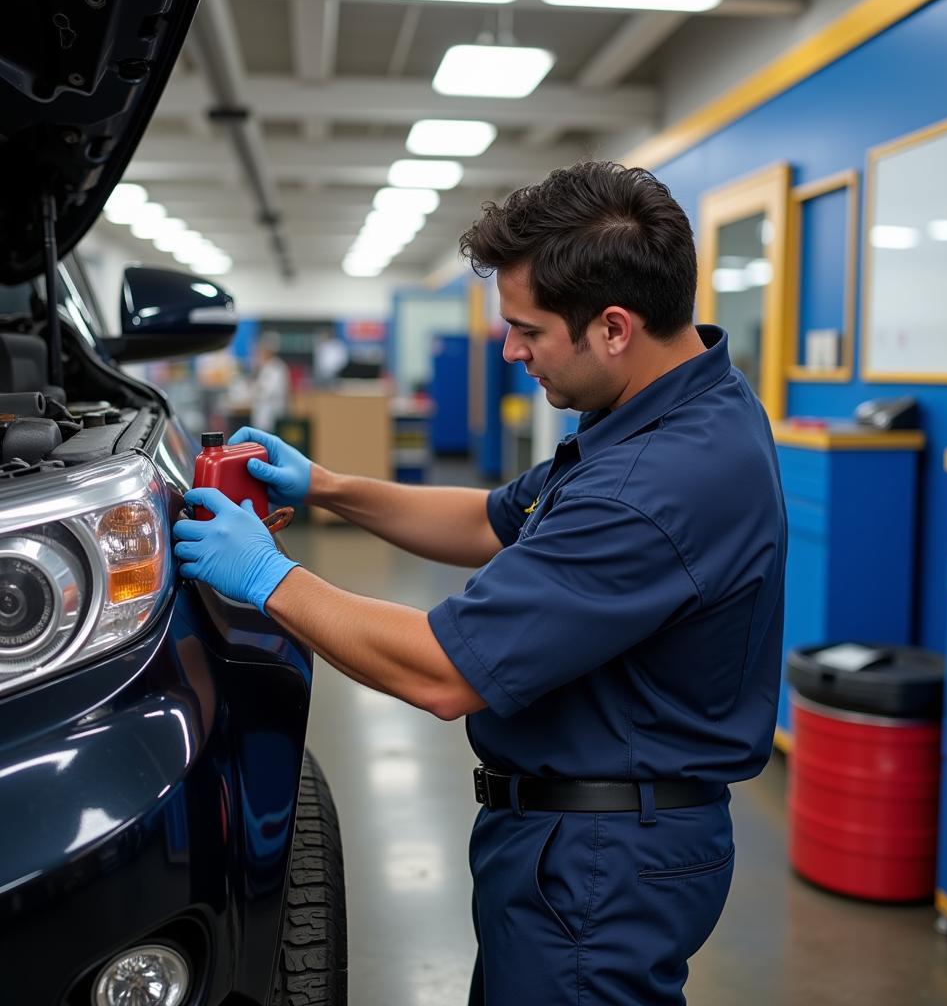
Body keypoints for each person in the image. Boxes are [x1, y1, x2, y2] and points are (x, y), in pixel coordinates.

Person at [172, 161, 787, 1005]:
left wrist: (268, 577)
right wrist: (326, 488)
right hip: (578, 839)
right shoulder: (673, 400)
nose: (511, 349)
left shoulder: (653, 485)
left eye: (527, 329)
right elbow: (491, 518)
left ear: (613, 327)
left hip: (602, 867)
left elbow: (441, 671)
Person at [250, 331, 290, 433]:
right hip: (263, 415)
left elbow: (268, 391)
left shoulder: (276, 367)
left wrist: (257, 390)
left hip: (272, 414)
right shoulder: (265, 367)